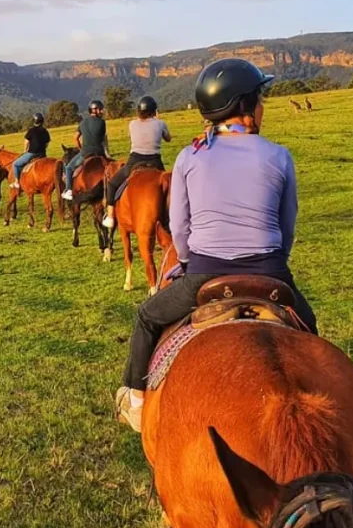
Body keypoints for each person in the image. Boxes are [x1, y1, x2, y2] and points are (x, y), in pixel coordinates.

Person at [115, 58, 319, 432]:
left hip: (205, 272)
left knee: (147, 317)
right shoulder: (279, 155)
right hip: (271, 271)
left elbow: (179, 227)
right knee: (309, 324)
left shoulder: (190, 156)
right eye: (260, 98)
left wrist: (191, 262)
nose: (263, 106)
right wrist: (275, 261)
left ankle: (138, 402)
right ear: (245, 106)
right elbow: (287, 226)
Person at [101, 95, 171, 228]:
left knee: (112, 184)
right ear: (154, 111)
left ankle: (110, 216)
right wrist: (159, 121)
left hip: (135, 161)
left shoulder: (132, 124)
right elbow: (168, 138)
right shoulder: (160, 124)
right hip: (155, 162)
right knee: (169, 186)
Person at [61, 100, 108, 200]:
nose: (101, 111)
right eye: (100, 109)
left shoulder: (82, 123)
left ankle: (68, 190)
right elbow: (102, 139)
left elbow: (75, 138)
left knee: (69, 168)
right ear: (94, 110)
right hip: (99, 152)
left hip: (85, 153)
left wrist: (81, 149)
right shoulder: (102, 122)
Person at [10, 113, 50, 189]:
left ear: (34, 121)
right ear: (42, 121)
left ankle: (16, 182)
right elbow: (47, 143)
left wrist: (25, 151)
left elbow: (26, 142)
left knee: (15, 164)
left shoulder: (31, 131)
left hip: (32, 153)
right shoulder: (45, 131)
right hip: (42, 154)